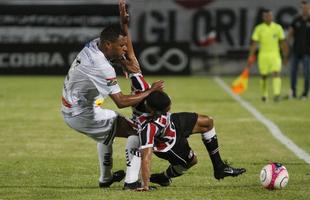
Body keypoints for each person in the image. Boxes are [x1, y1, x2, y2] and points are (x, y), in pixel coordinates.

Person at [61, 18, 164, 189]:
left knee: (108, 132)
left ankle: (106, 178)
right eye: (121, 46)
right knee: (137, 131)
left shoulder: (95, 44)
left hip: (75, 108)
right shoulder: (101, 66)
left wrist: (123, 59)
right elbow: (121, 101)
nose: (125, 49)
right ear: (108, 45)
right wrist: (151, 91)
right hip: (82, 114)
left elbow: (119, 51)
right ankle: (131, 182)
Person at [137, 91, 246, 191]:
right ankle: (164, 177)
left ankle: (219, 167)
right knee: (192, 161)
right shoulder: (149, 127)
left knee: (207, 122)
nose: (170, 107)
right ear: (158, 111)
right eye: (168, 107)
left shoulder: (150, 100)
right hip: (170, 144)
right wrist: (145, 185)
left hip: (173, 122)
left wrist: (153, 88)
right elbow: (146, 157)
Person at [248, 9, 289, 102]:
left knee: (276, 73)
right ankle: (264, 94)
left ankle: (276, 94)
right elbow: (254, 43)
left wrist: (285, 55)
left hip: (275, 55)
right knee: (264, 76)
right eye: (266, 16)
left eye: (270, 15)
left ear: (272, 16)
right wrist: (251, 56)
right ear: (263, 17)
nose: (268, 17)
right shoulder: (259, 28)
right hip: (263, 55)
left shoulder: (278, 28)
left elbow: (283, 42)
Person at [287, 1, 310, 100]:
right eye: (302, 8)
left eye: (306, 8)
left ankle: (304, 93)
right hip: (296, 51)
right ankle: (293, 92)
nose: (304, 10)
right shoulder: (296, 20)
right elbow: (290, 34)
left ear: (308, 8)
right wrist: (290, 45)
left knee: (307, 72)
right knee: (293, 72)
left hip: (308, 52)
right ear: (301, 8)